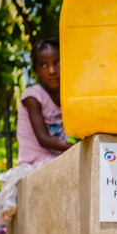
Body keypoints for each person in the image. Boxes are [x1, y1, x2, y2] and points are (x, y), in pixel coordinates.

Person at [16, 37, 71, 167]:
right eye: (44, 65)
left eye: (57, 63)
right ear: (36, 70)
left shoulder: (67, 96)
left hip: (57, 158)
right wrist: (77, 148)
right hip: (34, 162)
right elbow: (44, 139)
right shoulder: (33, 97)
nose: (52, 71)